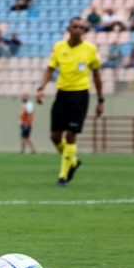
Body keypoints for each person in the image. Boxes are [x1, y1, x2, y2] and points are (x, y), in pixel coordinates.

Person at [36, 18, 104, 187]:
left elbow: (96, 75)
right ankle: (72, 161)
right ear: (68, 29)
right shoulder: (59, 47)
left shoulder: (90, 49)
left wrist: (101, 99)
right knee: (55, 136)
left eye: (82, 28)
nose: (78, 30)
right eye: (75, 27)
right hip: (62, 94)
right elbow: (50, 69)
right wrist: (41, 88)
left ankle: (63, 175)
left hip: (80, 95)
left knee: (71, 134)